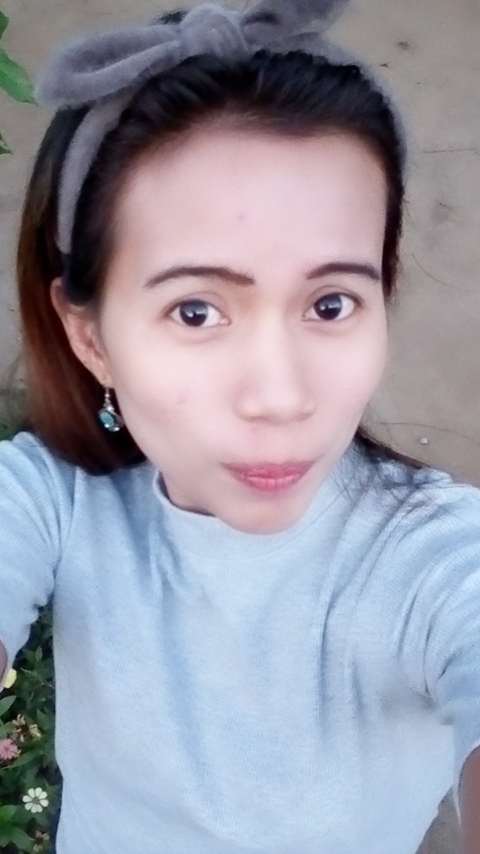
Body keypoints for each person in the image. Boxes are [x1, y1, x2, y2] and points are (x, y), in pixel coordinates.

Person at [1, 0, 480, 851]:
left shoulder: (436, 559)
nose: (279, 396)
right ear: (91, 337)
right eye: (196, 311)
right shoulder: (52, 503)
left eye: (330, 304)